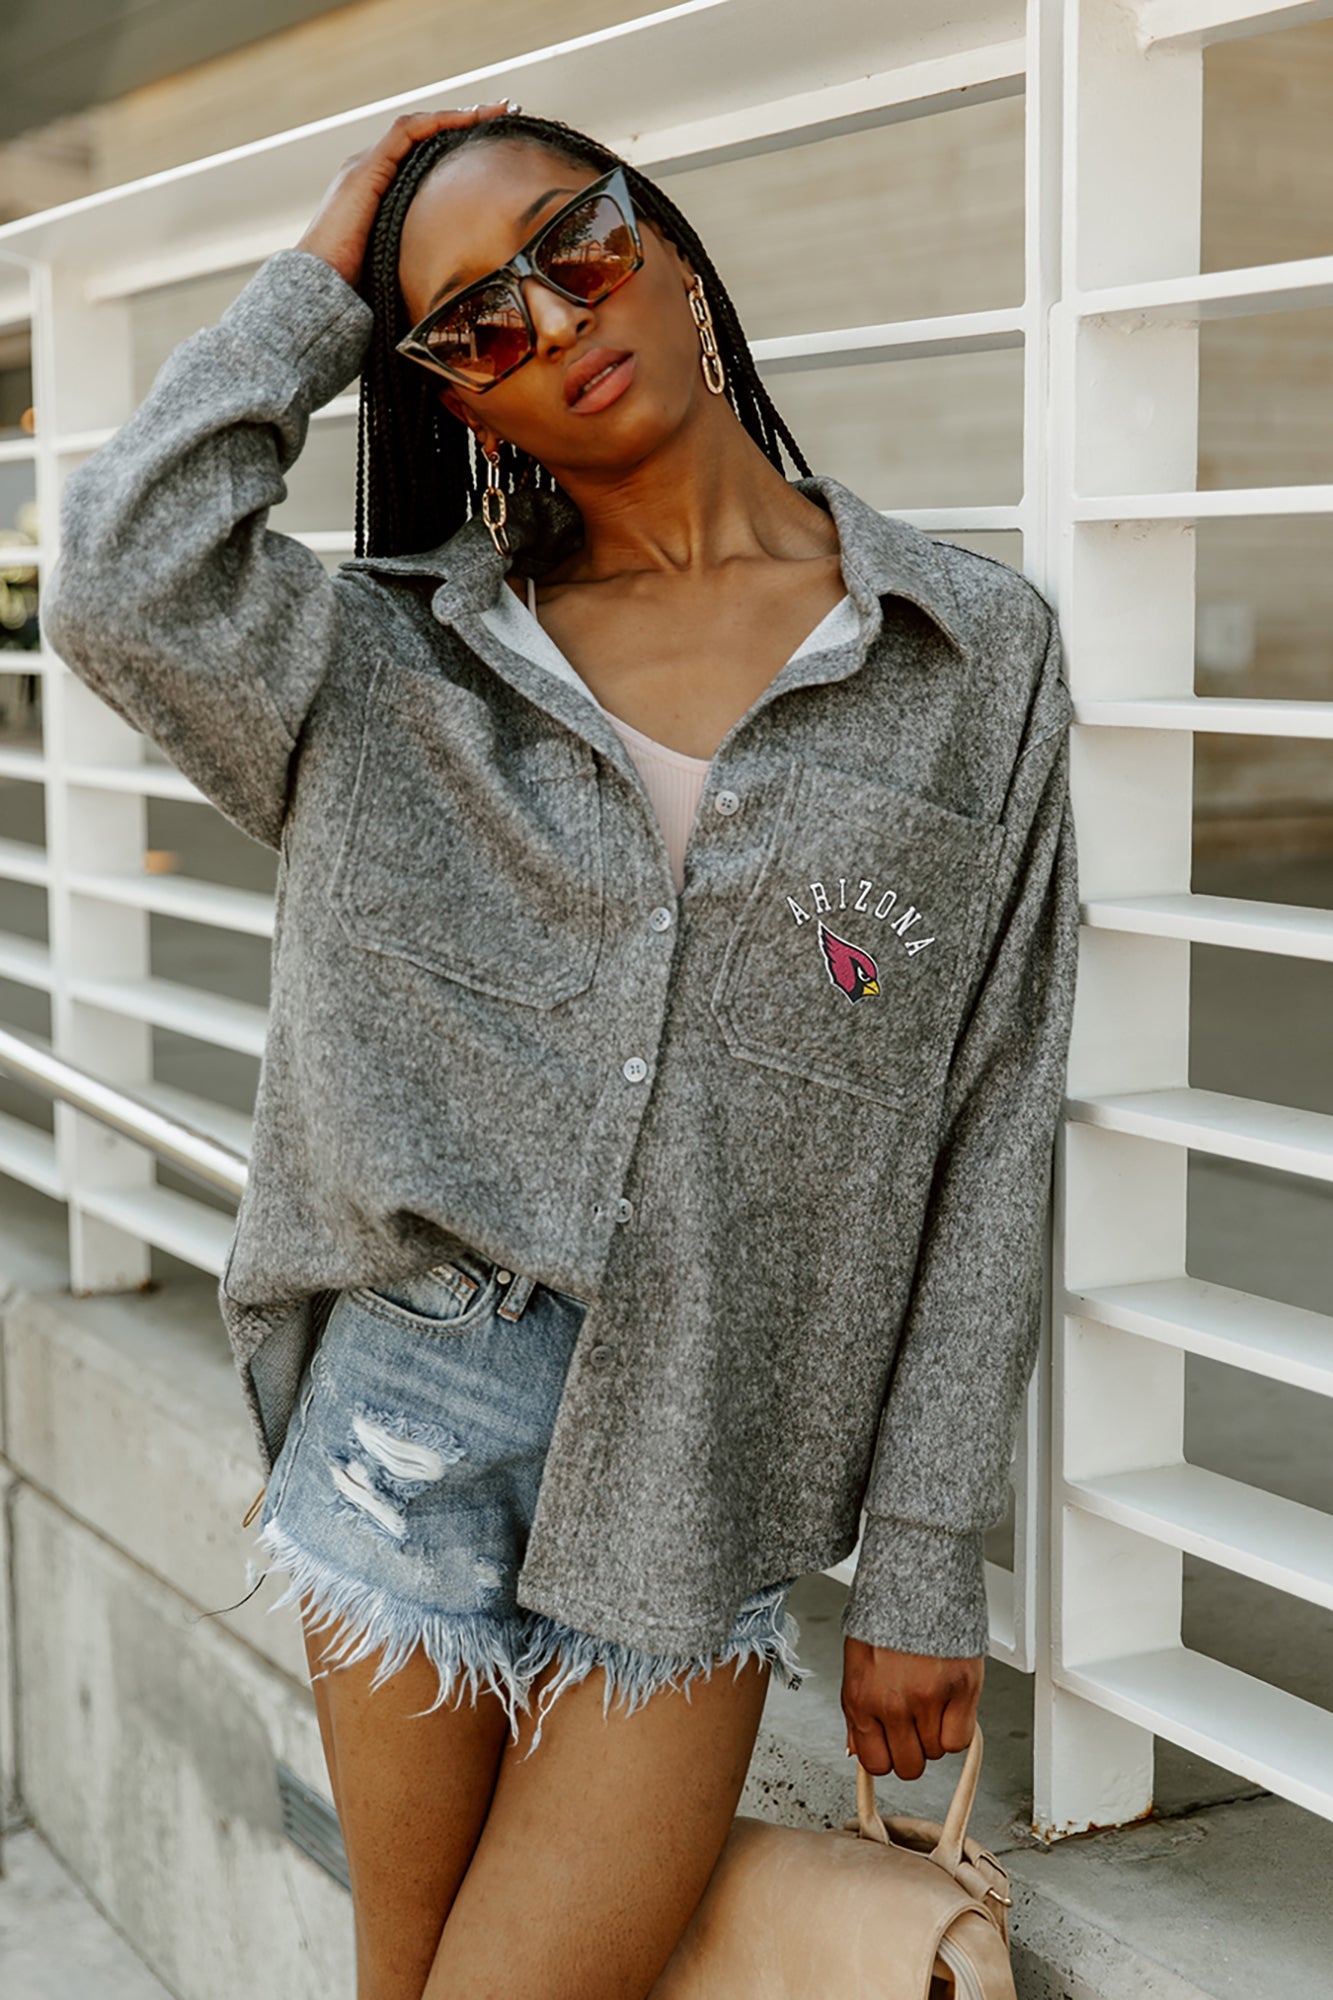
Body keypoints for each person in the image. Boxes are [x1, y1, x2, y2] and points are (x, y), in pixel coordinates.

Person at [43, 102, 1080, 2000]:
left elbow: (993, 1109)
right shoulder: (387, 669)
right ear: (458, 399)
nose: (550, 318)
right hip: (410, 1410)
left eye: (574, 246)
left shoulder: (966, 654)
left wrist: (924, 1553)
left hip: (711, 1441)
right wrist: (324, 280)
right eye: (473, 325)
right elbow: (118, 574)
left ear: (663, 245)